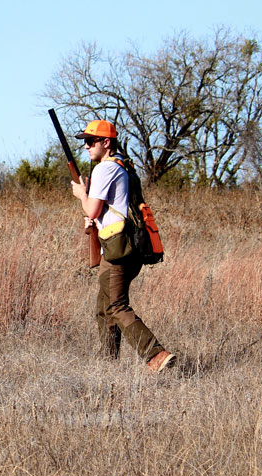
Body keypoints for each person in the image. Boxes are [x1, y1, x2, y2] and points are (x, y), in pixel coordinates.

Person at [69, 120, 174, 372]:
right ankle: (108, 366)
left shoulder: (104, 169)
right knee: (103, 309)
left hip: (119, 248)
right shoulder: (124, 165)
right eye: (84, 141)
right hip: (123, 245)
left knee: (116, 305)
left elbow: (92, 207)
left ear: (106, 143)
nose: (86, 146)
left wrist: (82, 194)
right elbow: (106, 209)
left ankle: (156, 355)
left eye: (91, 141)